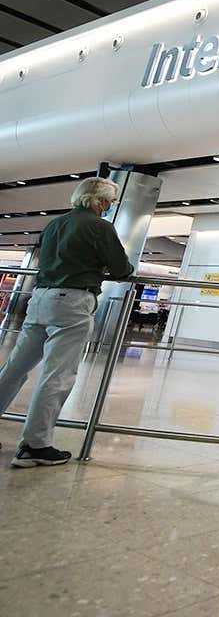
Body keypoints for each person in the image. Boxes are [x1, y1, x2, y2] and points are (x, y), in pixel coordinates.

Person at [0, 177, 133, 466]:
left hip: (40, 298)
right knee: (57, 374)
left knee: (15, 368)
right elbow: (121, 268)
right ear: (99, 201)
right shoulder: (99, 226)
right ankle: (35, 445)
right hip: (72, 302)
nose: (109, 207)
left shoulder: (54, 224)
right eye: (109, 201)